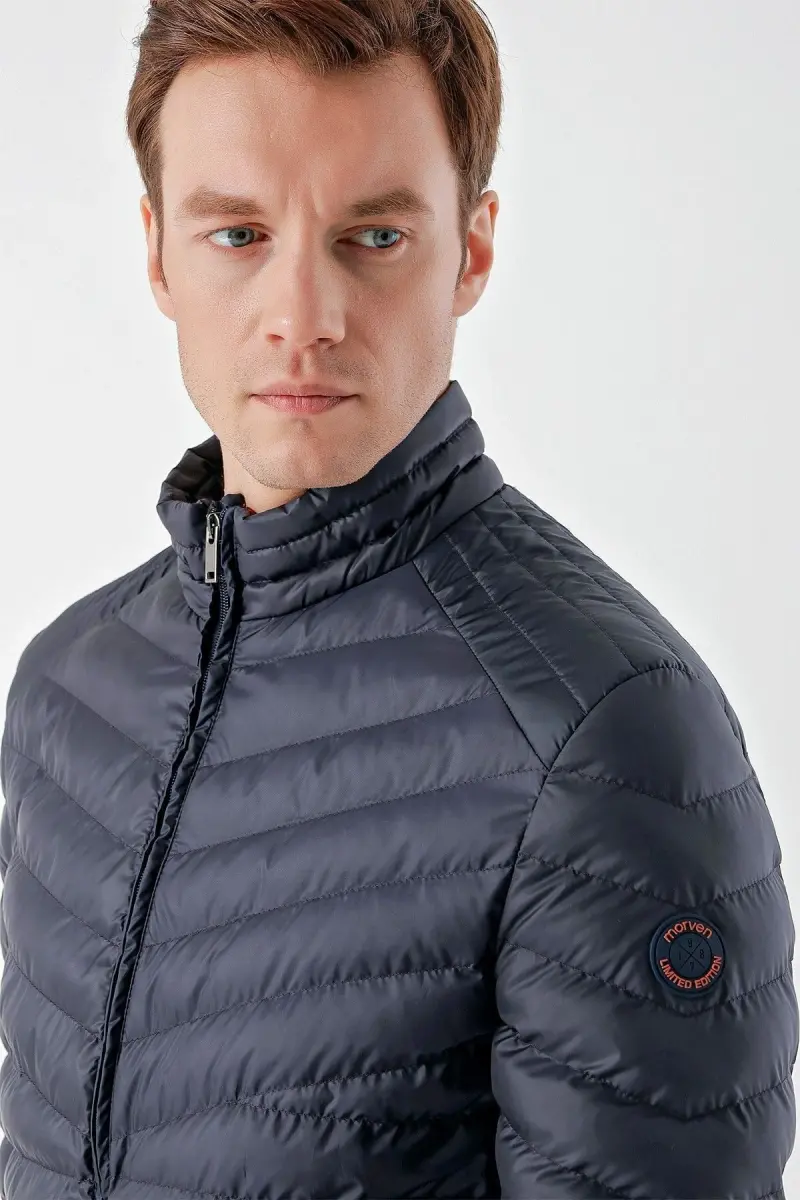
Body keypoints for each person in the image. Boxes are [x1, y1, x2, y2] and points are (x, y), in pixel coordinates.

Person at [0, 1, 796, 1196]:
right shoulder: (70, 692)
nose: (302, 319)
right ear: (157, 250)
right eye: (238, 234)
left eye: (372, 237)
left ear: (471, 250)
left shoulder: (605, 737)